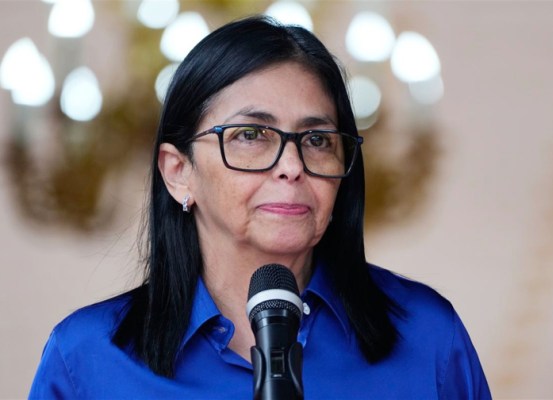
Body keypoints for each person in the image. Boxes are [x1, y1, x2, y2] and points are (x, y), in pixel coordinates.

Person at [29, 15, 491, 399]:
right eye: (251, 135)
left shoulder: (428, 338)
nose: (292, 166)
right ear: (178, 171)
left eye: (317, 140)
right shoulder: (88, 360)